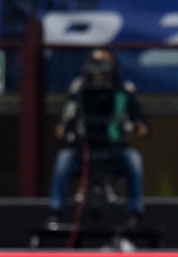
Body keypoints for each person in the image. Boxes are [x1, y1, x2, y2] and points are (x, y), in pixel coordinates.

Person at [47, 48, 149, 226]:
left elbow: (143, 126)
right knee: (63, 160)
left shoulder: (124, 91)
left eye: (104, 62)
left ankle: (135, 213)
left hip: (115, 150)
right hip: (83, 150)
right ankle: (55, 212)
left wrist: (132, 125)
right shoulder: (78, 89)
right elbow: (61, 129)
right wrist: (68, 125)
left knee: (134, 161)